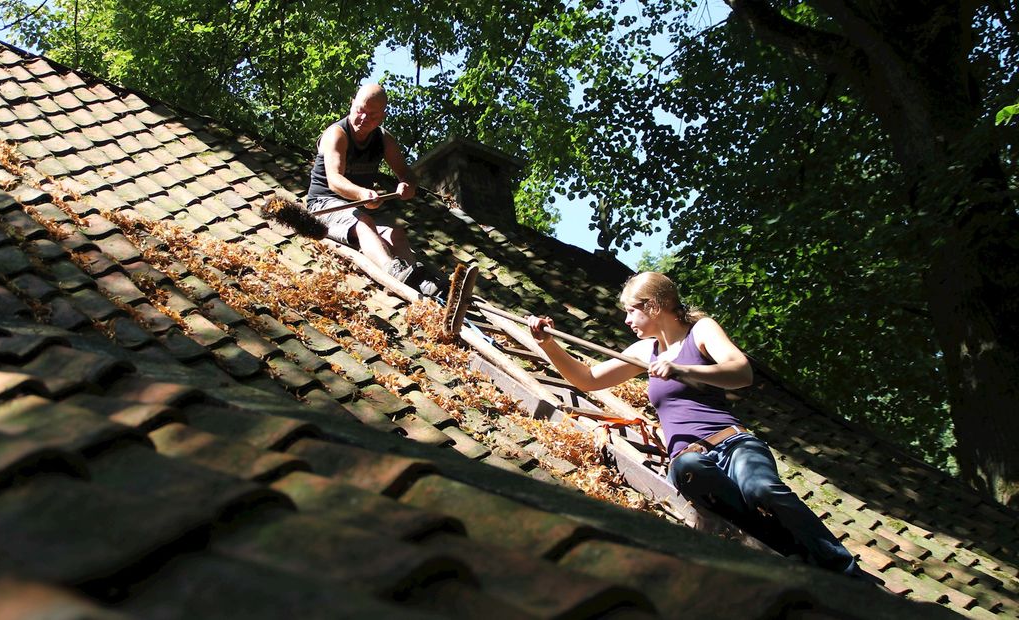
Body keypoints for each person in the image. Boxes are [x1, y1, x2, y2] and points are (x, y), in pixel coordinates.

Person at [527, 271, 866, 579]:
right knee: (689, 468)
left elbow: (741, 373)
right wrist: (548, 343)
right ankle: (792, 551)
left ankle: (846, 571)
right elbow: (587, 379)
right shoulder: (646, 351)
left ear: (655, 306)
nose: (627, 319)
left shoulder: (700, 332)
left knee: (760, 489)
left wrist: (683, 369)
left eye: (632, 310)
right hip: (692, 457)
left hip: (734, 445)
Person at [306, 83, 445, 297]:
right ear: (352, 104)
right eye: (360, 110)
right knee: (364, 222)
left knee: (396, 234)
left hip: (354, 212)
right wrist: (361, 194)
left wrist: (407, 185)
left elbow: (406, 173)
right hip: (323, 208)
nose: (363, 118)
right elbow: (334, 180)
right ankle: (393, 271)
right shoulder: (337, 134)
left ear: (382, 116)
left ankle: (421, 281)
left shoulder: (383, 139)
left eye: (372, 115)